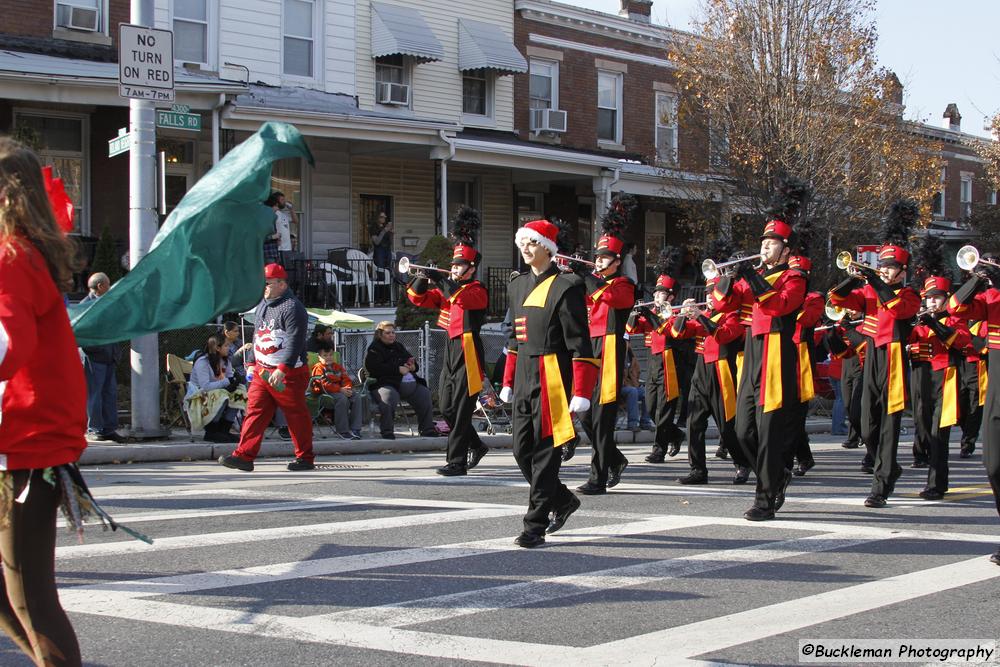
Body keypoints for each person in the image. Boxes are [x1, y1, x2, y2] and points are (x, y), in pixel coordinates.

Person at [0, 136, 84, 665]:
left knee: (31, 598)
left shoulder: (12, 257)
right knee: (18, 597)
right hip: (28, 440)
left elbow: (7, 344)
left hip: (26, 445)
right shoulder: (26, 254)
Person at [712, 179, 808, 520]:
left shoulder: (793, 277)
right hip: (751, 350)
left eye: (772, 243)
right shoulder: (754, 275)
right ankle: (776, 474)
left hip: (777, 349)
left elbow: (780, 305)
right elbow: (724, 303)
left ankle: (765, 498)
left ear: (785, 249)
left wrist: (752, 278)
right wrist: (726, 275)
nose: (764, 248)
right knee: (742, 430)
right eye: (763, 242)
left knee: (768, 430)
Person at [499, 219, 598, 547]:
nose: (526, 249)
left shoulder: (567, 286)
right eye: (522, 243)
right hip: (525, 373)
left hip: (553, 374)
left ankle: (534, 525)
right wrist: (508, 380)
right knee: (520, 450)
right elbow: (514, 338)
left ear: (549, 248)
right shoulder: (516, 285)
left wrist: (581, 391)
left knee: (544, 455)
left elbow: (580, 343)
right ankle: (562, 500)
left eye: (532, 242)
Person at [828, 200, 921, 508]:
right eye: (881, 265)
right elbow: (837, 298)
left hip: (894, 359)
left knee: (890, 424)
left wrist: (876, 281)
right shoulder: (870, 290)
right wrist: (854, 276)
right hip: (871, 357)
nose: (883, 269)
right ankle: (887, 465)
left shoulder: (909, 295)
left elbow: (895, 309)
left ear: (902, 271)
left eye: (890, 266)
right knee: (866, 423)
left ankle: (880, 486)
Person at [407, 206, 490, 475]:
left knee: (463, 408)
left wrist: (443, 279)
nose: (454, 269)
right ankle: (476, 445)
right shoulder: (448, 290)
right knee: (447, 407)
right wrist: (422, 277)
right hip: (451, 348)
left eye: (459, 265)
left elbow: (460, 298)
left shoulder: (477, 291)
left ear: (471, 268)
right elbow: (416, 299)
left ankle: (457, 461)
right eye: (452, 265)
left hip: (469, 350)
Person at [219, 263, 315, 472]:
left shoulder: (293, 307)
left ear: (281, 284)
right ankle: (244, 456)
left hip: (287, 373)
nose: (264, 287)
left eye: (268, 283)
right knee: (255, 412)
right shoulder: (264, 303)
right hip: (263, 370)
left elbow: (295, 341)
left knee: (295, 415)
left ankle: (305, 457)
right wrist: (252, 361)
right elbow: (257, 333)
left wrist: (283, 368)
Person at [578, 196, 637, 494]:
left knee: (603, 415)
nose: (598, 261)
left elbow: (612, 299)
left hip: (611, 347)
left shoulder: (624, 284)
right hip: (591, 347)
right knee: (585, 412)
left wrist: (588, 278)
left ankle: (598, 477)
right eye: (596, 257)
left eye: (603, 258)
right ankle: (614, 459)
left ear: (616, 260)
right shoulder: (596, 282)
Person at [670, 276, 752, 486]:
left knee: (727, 426)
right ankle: (698, 469)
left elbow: (724, 335)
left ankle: (743, 462)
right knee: (693, 423)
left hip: (722, 369)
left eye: (712, 292)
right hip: (701, 369)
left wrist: (700, 317)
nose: (708, 296)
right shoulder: (705, 314)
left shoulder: (733, 315)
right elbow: (679, 333)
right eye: (707, 293)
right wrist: (682, 314)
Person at [947, 248, 1000, 565]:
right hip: (996, 385)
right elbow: (956, 309)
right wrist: (978, 280)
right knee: (994, 465)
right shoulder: (992, 298)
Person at [909, 276, 969, 500]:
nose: (932, 303)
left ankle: (937, 484)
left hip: (946, 378)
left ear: (946, 299)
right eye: (929, 298)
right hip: (923, 379)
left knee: (938, 434)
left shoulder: (954, 319)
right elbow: (911, 343)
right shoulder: (920, 320)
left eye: (937, 298)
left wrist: (934, 324)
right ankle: (929, 471)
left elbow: (962, 342)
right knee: (924, 428)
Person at [626, 247, 686, 463]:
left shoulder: (677, 313)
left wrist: (650, 315)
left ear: (671, 295)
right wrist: (635, 312)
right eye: (656, 292)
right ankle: (676, 435)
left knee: (664, 410)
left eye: (661, 293)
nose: (656, 295)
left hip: (670, 362)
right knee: (651, 408)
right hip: (653, 362)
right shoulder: (654, 312)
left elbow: (667, 330)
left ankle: (658, 450)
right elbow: (632, 329)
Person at [364, 321, 435, 439]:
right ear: (380, 334)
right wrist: (397, 369)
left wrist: (413, 366)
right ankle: (387, 431)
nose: (392, 335)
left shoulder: (399, 346)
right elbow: (375, 368)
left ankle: (427, 429)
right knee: (388, 396)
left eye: (393, 332)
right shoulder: (374, 349)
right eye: (388, 333)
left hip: (409, 384)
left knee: (424, 393)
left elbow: (410, 360)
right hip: (385, 383)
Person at [80, 271, 124, 443]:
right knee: (95, 394)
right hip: (95, 357)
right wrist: (97, 349)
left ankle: (108, 429)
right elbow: (83, 333)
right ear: (101, 286)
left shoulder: (106, 303)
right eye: (108, 284)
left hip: (108, 356)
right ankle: (95, 429)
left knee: (109, 393)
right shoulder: (86, 306)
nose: (110, 287)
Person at [186, 335, 243, 443]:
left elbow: (229, 377)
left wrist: (235, 382)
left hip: (217, 391)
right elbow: (205, 386)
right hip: (198, 396)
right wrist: (227, 381)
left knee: (240, 393)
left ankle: (224, 430)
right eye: (226, 346)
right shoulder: (203, 362)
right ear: (217, 348)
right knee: (221, 395)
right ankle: (211, 431)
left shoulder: (225, 361)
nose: (229, 348)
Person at [310, 341, 363, 440]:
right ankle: (342, 430)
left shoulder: (338, 367)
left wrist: (347, 388)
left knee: (356, 397)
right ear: (319, 357)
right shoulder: (318, 368)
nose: (328, 357)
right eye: (325, 355)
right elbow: (323, 384)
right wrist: (340, 390)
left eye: (330, 355)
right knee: (342, 398)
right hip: (324, 394)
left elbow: (346, 378)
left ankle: (355, 428)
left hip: (340, 391)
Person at [619, 347, 654, 431]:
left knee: (646, 392)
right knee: (632, 391)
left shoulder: (631, 356)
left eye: (627, 341)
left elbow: (637, 372)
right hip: (617, 387)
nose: (626, 343)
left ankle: (645, 422)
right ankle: (632, 424)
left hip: (631, 385)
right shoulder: (615, 354)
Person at [265, 191, 297, 264]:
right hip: (277, 248)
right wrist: (275, 238)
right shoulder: (271, 214)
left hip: (287, 248)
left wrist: (291, 209)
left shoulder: (283, 214)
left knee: (286, 272)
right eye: (282, 200)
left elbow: (296, 221)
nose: (284, 202)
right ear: (276, 202)